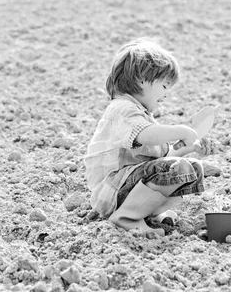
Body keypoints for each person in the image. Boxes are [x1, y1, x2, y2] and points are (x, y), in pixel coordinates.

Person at [84, 37, 213, 236]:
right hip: (112, 191)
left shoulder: (141, 115)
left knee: (191, 169)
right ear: (142, 80)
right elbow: (146, 135)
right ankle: (127, 218)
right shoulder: (122, 109)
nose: (167, 93)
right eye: (164, 86)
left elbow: (162, 155)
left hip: (127, 185)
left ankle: (147, 214)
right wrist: (182, 130)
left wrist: (190, 148)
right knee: (175, 168)